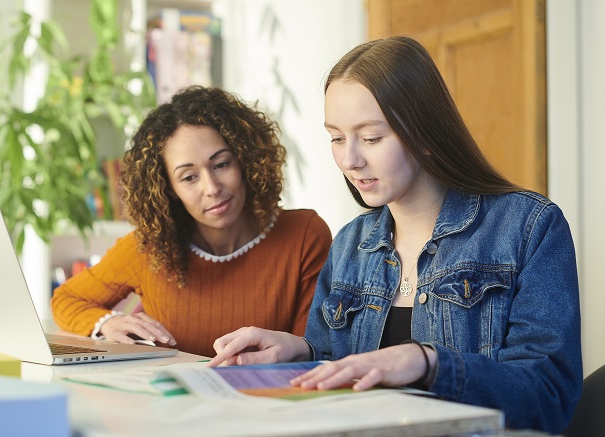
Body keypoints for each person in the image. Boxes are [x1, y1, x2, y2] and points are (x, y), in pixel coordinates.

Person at [209, 37, 582, 433]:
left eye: (371, 137)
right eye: (336, 138)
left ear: (424, 132)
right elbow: (336, 367)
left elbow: (547, 399)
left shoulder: (528, 227)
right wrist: (299, 351)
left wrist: (428, 362)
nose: (350, 160)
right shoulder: (351, 244)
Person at [51, 86, 332, 358]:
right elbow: (66, 300)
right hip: (172, 403)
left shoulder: (304, 235)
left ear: (245, 160)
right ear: (168, 188)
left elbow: (314, 349)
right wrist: (107, 323)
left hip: (269, 400)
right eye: (189, 177)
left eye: (221, 164)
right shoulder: (148, 248)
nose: (211, 188)